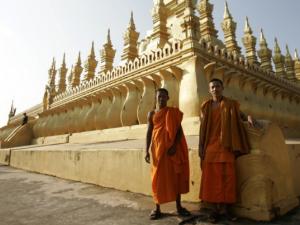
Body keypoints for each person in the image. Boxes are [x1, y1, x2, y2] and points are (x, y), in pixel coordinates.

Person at [199, 78, 255, 223]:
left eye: (217, 86)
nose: (215, 89)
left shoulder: (230, 104)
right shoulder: (206, 106)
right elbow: (202, 129)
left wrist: (248, 117)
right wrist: (200, 147)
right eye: (212, 87)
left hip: (226, 146)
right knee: (211, 179)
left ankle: (224, 210)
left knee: (227, 178)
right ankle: (213, 211)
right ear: (209, 90)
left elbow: (240, 114)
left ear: (222, 88)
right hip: (210, 147)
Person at [145, 88, 190, 220]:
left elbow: (179, 131)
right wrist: (146, 150)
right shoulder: (151, 114)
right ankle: (157, 208)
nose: (161, 99)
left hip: (171, 151)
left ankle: (179, 207)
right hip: (157, 151)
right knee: (157, 178)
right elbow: (149, 132)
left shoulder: (172, 113)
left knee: (175, 177)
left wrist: (175, 146)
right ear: (156, 98)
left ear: (168, 98)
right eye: (159, 96)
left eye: (164, 96)